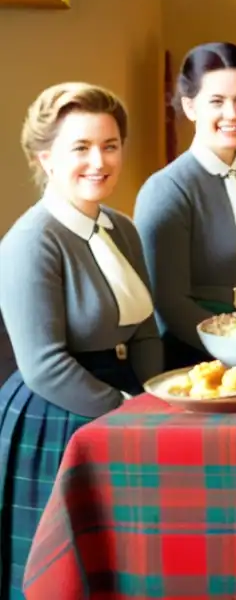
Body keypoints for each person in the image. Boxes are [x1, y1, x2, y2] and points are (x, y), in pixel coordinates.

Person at [0, 83, 162, 599]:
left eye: (110, 145)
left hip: (126, 402)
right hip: (58, 416)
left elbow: (144, 328)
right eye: (81, 147)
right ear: (45, 158)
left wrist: (154, 394)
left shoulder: (123, 228)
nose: (99, 161)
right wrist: (123, 408)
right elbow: (44, 365)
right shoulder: (30, 241)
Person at [134, 43, 236, 369]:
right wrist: (235, 347)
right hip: (193, 354)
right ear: (190, 107)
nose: (232, 114)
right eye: (217, 101)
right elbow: (169, 301)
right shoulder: (166, 189)